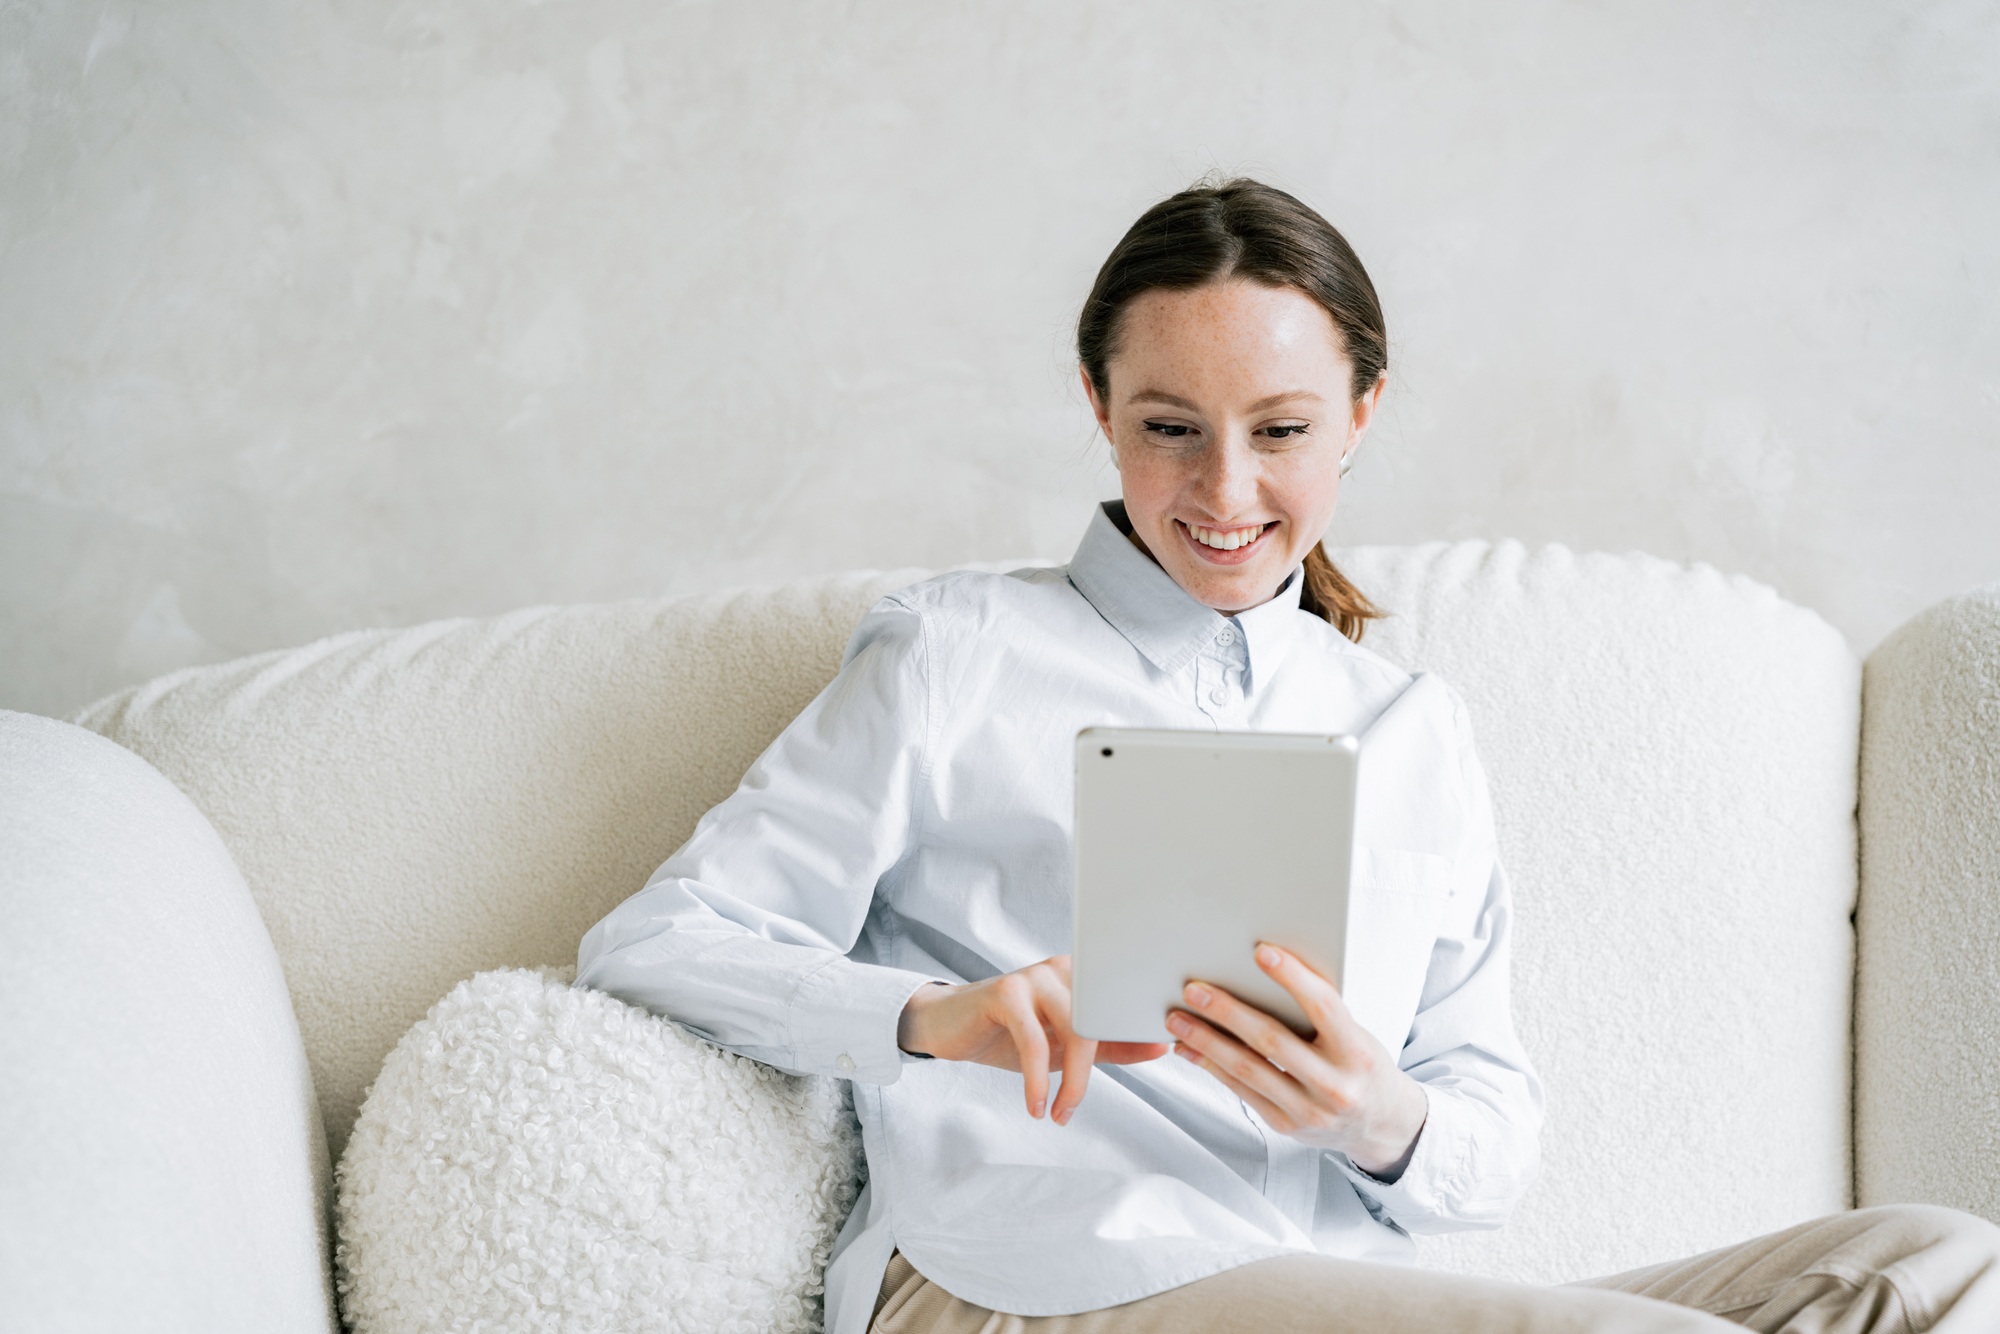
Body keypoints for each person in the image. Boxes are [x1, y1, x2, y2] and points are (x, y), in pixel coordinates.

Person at [577, 179, 2000, 1333]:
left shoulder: (1408, 728)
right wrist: (933, 1015)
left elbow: (1492, 1129)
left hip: (1324, 1286)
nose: (1225, 491)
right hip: (1025, 1277)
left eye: (1283, 432)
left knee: (1942, 1266)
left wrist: (1377, 1116)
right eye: (1169, 430)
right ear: (1098, 404)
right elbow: (655, 941)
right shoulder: (953, 654)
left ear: (1362, 416)